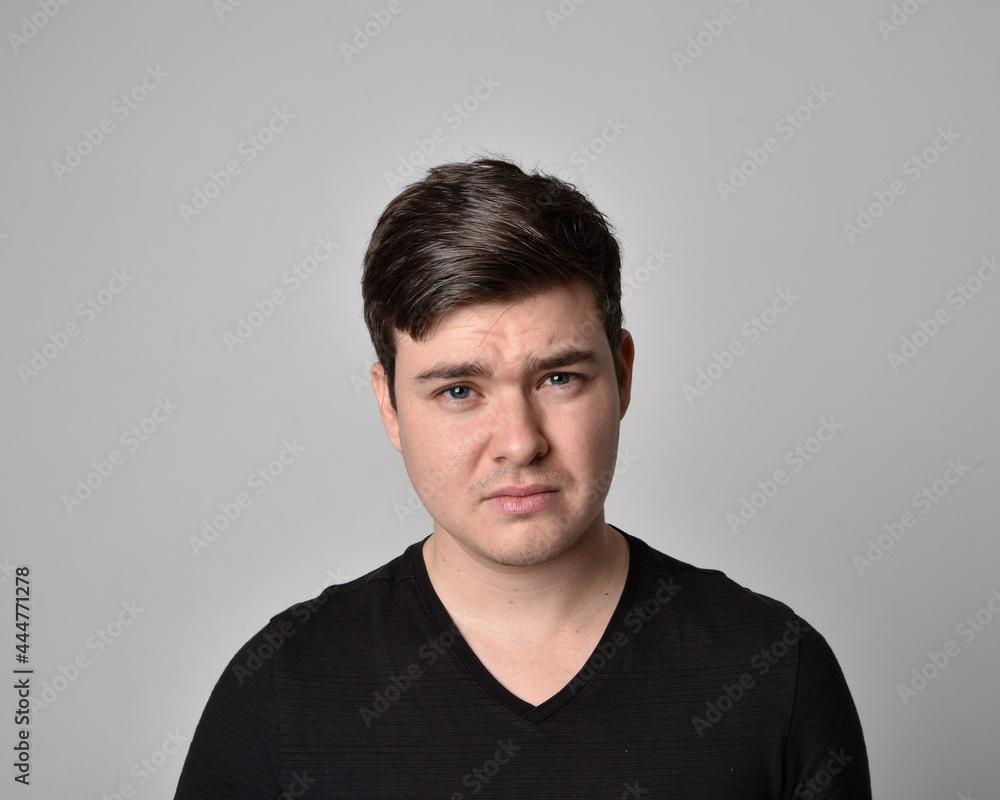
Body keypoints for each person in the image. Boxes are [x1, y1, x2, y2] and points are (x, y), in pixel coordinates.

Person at [173, 157, 871, 798]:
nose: (519, 442)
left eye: (559, 377)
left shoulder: (775, 674)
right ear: (389, 405)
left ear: (622, 375)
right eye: (458, 391)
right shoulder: (280, 691)